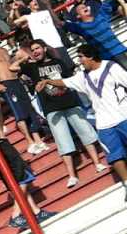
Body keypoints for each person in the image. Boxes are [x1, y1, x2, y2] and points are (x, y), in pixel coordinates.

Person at [36, 45, 127, 201]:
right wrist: (47, 81)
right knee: (114, 156)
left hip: (124, 116)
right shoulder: (82, 76)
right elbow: (65, 82)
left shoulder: (111, 67)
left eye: (81, 57)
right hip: (103, 123)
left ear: (90, 56)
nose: (79, 61)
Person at [17, 40, 107, 188]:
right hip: (51, 108)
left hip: (70, 102)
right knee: (63, 141)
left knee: (86, 133)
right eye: (32, 50)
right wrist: (24, 58)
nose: (35, 51)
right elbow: (12, 68)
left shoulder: (58, 61)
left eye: (37, 48)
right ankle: (72, 176)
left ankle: (97, 163)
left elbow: (70, 79)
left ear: (44, 48)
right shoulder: (31, 67)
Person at [0, 81, 56, 228]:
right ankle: (16, 214)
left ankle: (36, 211)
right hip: (0, 145)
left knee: (15, 182)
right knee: (25, 177)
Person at [0, 30, 48, 154]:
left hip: (16, 81)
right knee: (19, 113)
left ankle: (38, 140)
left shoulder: (4, 51)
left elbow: (12, 66)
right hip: (6, 83)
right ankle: (30, 142)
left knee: (29, 109)